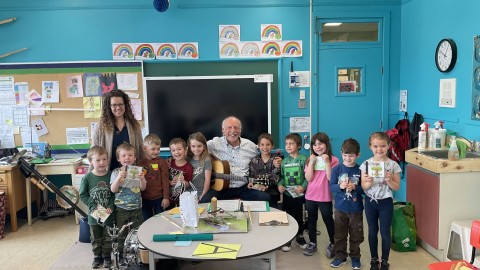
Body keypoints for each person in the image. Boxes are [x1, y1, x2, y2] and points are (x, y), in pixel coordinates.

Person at [202, 116, 273, 203]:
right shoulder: (214, 144)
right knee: (204, 201)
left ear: (240, 130)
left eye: (236, 127)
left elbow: (264, 155)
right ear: (223, 130)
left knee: (265, 198)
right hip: (222, 188)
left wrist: (276, 160)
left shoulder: (250, 146)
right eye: (229, 128)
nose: (233, 131)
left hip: (244, 187)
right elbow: (196, 148)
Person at [360, 132, 401, 270]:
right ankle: (373, 260)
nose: (379, 149)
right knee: (372, 231)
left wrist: (389, 180)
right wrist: (369, 183)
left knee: (384, 232)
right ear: (370, 147)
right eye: (376, 146)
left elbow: (396, 187)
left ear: (388, 146)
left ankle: (384, 261)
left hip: (386, 203)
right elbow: (363, 186)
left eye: (383, 146)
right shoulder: (366, 164)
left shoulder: (393, 165)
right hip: (371, 202)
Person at [329, 138, 364, 269]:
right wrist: (340, 186)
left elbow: (365, 190)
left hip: (356, 209)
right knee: (339, 234)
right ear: (341, 153)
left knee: (356, 235)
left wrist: (355, 188)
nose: (348, 158)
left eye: (351, 156)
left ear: (358, 155)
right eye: (345, 155)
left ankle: (355, 257)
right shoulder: (337, 169)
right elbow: (331, 187)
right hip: (339, 208)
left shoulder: (361, 170)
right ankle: (340, 256)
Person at [303, 132, 339, 257]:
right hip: (310, 196)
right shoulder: (309, 160)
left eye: (320, 143)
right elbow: (308, 178)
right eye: (315, 144)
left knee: (328, 219)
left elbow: (330, 178)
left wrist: (328, 163)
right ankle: (312, 242)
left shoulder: (334, 160)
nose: (317, 147)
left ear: (327, 144)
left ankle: (334, 243)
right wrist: (311, 163)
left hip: (324, 196)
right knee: (311, 220)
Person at [79, 146, 115, 269]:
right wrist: (93, 206)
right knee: (95, 237)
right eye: (98, 160)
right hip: (94, 214)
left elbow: (114, 194)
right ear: (91, 161)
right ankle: (97, 257)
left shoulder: (111, 175)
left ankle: (106, 256)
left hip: (108, 214)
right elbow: (82, 195)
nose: (102, 162)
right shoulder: (87, 178)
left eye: (104, 159)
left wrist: (111, 206)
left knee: (107, 237)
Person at [110, 143, 146, 260]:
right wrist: (118, 179)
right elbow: (113, 190)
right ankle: (121, 255)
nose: (127, 158)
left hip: (136, 207)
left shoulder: (139, 171)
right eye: (124, 155)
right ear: (118, 159)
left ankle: (138, 254)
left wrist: (142, 179)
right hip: (121, 208)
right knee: (121, 233)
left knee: (138, 232)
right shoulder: (115, 172)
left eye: (130, 155)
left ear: (134, 158)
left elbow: (143, 188)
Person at [92, 89, 143, 171]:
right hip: (108, 173)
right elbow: (94, 151)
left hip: (130, 174)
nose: (118, 107)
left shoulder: (134, 125)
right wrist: (91, 174)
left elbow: (140, 149)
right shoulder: (101, 126)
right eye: (114, 105)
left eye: (121, 104)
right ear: (109, 107)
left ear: (125, 105)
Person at [277, 133, 308, 252]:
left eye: (291, 143)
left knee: (300, 216)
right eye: (286, 144)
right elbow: (282, 177)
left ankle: (300, 236)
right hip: (288, 195)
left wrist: (304, 187)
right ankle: (288, 238)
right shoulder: (284, 162)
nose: (288, 146)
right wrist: (280, 185)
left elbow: (308, 177)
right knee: (288, 216)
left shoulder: (304, 159)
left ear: (299, 146)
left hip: (300, 195)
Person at [138, 134, 170, 220]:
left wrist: (166, 197)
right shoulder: (140, 163)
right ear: (144, 149)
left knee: (161, 221)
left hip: (159, 198)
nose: (156, 151)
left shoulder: (162, 162)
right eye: (153, 149)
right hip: (144, 199)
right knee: (146, 221)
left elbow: (165, 181)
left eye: (158, 149)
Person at [248, 133, 281, 208]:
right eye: (262, 145)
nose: (265, 147)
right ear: (258, 146)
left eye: (268, 144)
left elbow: (277, 177)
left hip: (272, 192)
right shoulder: (254, 160)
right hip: (258, 191)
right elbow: (251, 175)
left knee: (272, 214)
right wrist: (254, 185)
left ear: (272, 146)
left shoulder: (276, 160)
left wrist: (266, 186)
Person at [186, 132, 212, 203]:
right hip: (187, 194)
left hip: (200, 194)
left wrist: (202, 196)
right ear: (190, 147)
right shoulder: (187, 159)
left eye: (199, 146)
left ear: (204, 146)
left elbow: (207, 179)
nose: (196, 149)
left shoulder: (206, 160)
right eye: (193, 146)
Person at [168, 138, 193, 206]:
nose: (176, 152)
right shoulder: (169, 163)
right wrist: (170, 182)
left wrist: (183, 181)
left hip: (181, 200)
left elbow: (188, 184)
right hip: (168, 199)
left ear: (185, 150)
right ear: (171, 152)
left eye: (179, 149)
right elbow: (162, 179)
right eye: (173, 150)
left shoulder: (189, 167)